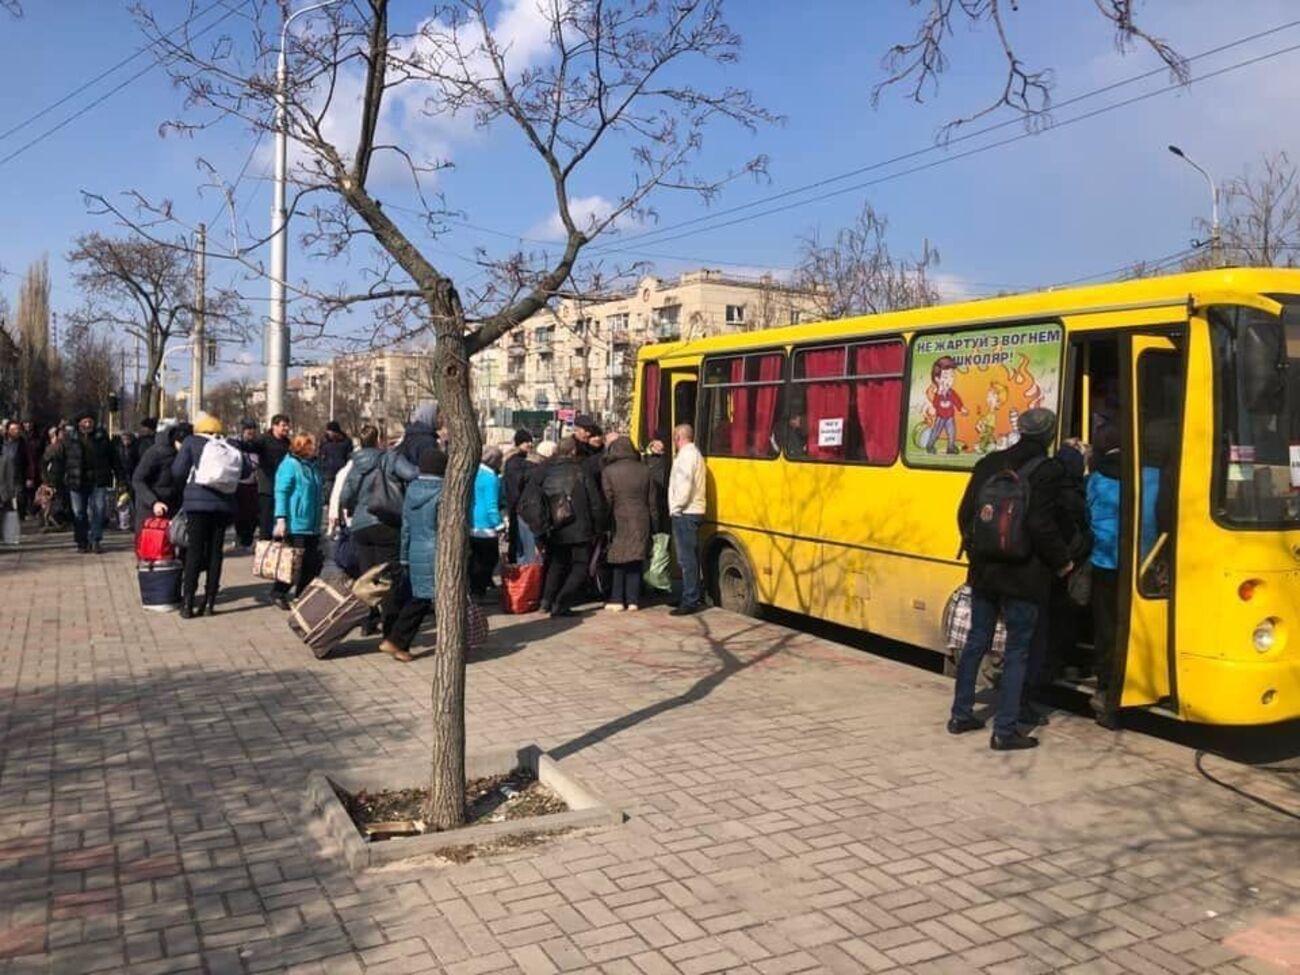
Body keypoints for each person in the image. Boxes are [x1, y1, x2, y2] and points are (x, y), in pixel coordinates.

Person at [948, 408, 1074, 751]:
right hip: (1024, 575)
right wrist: (1062, 562)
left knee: (977, 640)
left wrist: (978, 554)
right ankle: (1005, 730)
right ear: (1049, 435)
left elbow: (965, 514)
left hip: (985, 571)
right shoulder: (1047, 471)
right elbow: (1041, 525)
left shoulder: (990, 462)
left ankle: (960, 714)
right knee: (1018, 649)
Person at [340, 424, 419, 634]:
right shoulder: (390, 458)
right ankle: (390, 629)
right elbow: (412, 474)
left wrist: (353, 509)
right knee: (389, 577)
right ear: (379, 440)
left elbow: (344, 497)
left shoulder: (355, 464)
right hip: (386, 522)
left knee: (367, 576)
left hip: (361, 526)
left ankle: (367, 622)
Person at [171, 415, 249, 618]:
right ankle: (209, 603)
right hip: (223, 505)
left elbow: (178, 471)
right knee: (216, 553)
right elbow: (245, 470)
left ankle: (187, 603)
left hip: (197, 504)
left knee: (194, 551)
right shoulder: (229, 444)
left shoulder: (191, 442)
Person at [382, 447, 446, 662]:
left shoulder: (412, 490)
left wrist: (404, 556)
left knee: (421, 597)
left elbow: (406, 527)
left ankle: (398, 642)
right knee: (424, 599)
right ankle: (397, 640)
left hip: (416, 549)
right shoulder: (444, 492)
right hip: (437, 550)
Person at [539, 437, 606, 618]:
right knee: (580, 566)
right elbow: (595, 502)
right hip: (579, 525)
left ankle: (546, 601)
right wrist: (599, 526)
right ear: (573, 451)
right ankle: (561, 602)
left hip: (556, 524)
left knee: (557, 564)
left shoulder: (547, 470)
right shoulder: (581, 470)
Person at [1087, 436, 1122, 726]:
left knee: (1105, 627)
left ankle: (1105, 685)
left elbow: (1084, 513)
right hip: (1141, 565)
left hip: (1102, 560)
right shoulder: (1150, 475)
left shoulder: (1096, 479)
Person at [271, 433, 324, 610]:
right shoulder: (290, 465)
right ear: (303, 446)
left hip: (313, 523)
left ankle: (302, 595)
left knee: (311, 563)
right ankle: (279, 591)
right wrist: (281, 519)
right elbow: (281, 492)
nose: (316, 448)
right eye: (312, 445)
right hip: (296, 523)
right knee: (294, 563)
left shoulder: (313, 466)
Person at [601, 437, 654, 612]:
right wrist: (655, 524)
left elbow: (607, 500)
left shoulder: (609, 471)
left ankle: (617, 598)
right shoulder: (645, 470)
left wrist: (604, 523)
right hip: (641, 518)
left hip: (618, 518)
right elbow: (652, 501)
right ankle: (633, 600)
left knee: (618, 560)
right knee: (635, 560)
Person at [61, 411, 116, 553]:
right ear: (79, 424)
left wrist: (120, 477)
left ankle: (96, 540)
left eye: (90, 422)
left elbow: (114, 459)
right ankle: (81, 541)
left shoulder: (102, 439)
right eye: (84, 422)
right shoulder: (70, 440)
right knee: (79, 512)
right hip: (76, 480)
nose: (87, 425)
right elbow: (60, 460)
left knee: (98, 510)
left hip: (98, 480)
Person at [668, 424, 708, 616]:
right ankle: (690, 594)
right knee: (690, 557)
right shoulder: (694, 454)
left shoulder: (686, 457)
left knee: (686, 559)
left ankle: (690, 599)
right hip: (692, 510)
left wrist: (675, 508)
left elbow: (684, 486)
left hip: (686, 511)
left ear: (678, 437)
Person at [132, 421, 191, 529]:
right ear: (176, 440)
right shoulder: (155, 453)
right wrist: (153, 502)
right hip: (151, 507)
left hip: (175, 506)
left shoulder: (185, 455)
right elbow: (138, 480)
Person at [246, 413, 291, 540]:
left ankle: (277, 550)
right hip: (267, 487)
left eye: (287, 426)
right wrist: (247, 441)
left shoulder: (287, 442)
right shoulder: (263, 440)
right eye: (283, 425)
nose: (286, 428)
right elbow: (251, 447)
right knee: (266, 521)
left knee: (280, 521)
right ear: (274, 426)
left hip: (283, 486)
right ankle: (264, 549)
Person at [471, 445, 506, 597]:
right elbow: (492, 503)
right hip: (486, 525)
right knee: (489, 560)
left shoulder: (474, 473)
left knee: (476, 559)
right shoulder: (490, 478)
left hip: (472, 521)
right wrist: (499, 524)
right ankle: (479, 591)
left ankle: (475, 590)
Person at [503, 429, 537, 564]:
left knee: (519, 544)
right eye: (525, 441)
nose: (529, 444)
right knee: (522, 546)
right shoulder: (516, 463)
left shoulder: (516, 461)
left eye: (530, 441)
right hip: (520, 508)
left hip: (518, 507)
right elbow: (514, 487)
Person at [232, 420, 260, 552]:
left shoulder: (258, 446)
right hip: (240, 484)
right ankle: (240, 538)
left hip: (255, 484)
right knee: (240, 514)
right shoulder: (237, 446)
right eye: (247, 429)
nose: (250, 432)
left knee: (253, 515)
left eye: (252, 429)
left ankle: (248, 539)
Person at [0, 420, 30, 539]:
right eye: (13, 429)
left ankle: (17, 522)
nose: (16, 432)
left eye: (17, 429)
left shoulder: (22, 444)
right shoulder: (2, 443)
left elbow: (29, 461)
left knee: (20, 500)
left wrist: (29, 477)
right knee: (6, 504)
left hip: (18, 476)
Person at [318, 420, 353, 509]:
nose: (328, 433)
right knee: (328, 494)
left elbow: (349, 456)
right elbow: (320, 455)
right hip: (328, 473)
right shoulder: (325, 441)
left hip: (341, 472)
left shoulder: (346, 442)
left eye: (330, 431)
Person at [396, 401, 440, 467]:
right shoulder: (427, 441)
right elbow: (430, 468)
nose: (441, 420)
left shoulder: (412, 435)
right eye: (438, 417)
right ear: (429, 417)